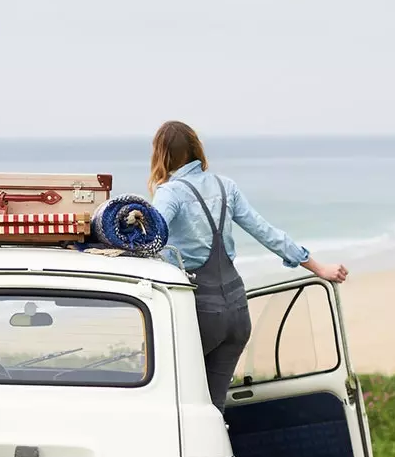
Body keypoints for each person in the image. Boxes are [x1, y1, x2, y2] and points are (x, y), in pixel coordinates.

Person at [148, 120, 348, 411]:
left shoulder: (170, 193)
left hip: (202, 314)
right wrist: (319, 268)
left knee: (176, 400)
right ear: (195, 149)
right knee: (213, 406)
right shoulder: (225, 187)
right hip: (238, 314)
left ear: (161, 155)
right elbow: (265, 232)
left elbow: (148, 238)